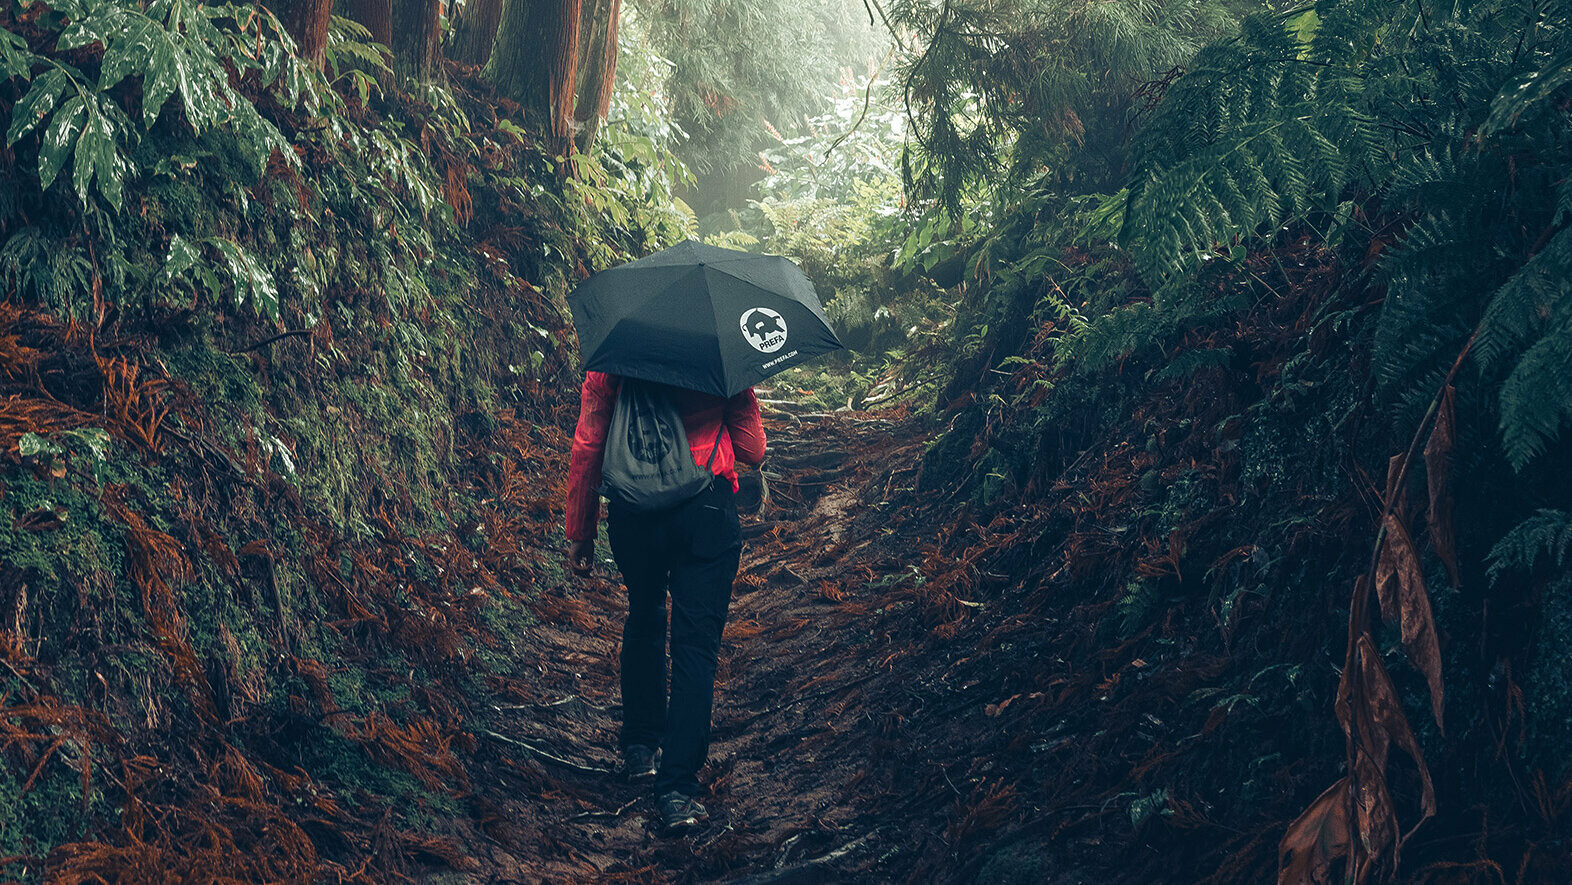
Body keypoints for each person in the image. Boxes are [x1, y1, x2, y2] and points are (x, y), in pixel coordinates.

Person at [564, 370, 766, 831]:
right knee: (696, 647)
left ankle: (640, 745)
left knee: (644, 613)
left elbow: (589, 443)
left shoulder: (613, 357)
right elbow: (753, 449)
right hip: (706, 510)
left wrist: (581, 529)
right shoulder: (715, 355)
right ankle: (677, 790)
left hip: (634, 514)